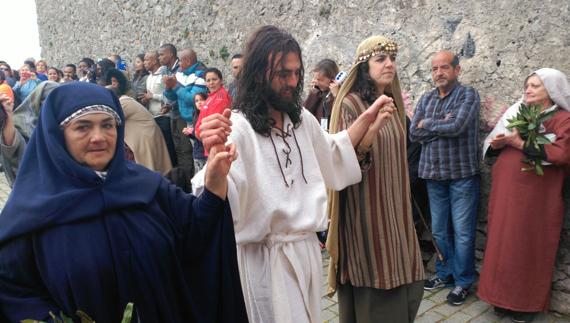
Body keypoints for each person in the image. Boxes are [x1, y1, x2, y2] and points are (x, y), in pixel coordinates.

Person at [194, 25, 394, 323]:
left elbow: (334, 152)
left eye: (296, 73)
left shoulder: (301, 121)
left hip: (305, 253)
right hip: (265, 262)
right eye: (282, 74)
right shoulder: (238, 127)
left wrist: (365, 119)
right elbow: (217, 202)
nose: (292, 82)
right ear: (259, 73)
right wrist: (214, 166)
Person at [0, 82, 247, 323]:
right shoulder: (31, 211)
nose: (99, 137)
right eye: (82, 127)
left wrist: (214, 182)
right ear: (56, 134)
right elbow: (12, 291)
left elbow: (196, 231)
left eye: (108, 125)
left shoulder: (146, 186)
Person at [326, 36, 425, 323]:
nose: (389, 64)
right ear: (363, 66)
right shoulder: (350, 105)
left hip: (396, 206)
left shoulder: (394, 105)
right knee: (374, 269)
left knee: (405, 266)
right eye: (380, 59)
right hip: (365, 209)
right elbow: (344, 161)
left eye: (392, 59)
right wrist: (372, 128)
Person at [477, 68, 570, 323]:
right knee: (502, 241)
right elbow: (497, 144)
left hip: (537, 199)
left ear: (551, 90)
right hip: (507, 192)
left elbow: (562, 154)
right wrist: (497, 145)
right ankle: (499, 298)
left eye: (535, 86)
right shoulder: (518, 113)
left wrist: (519, 144)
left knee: (528, 244)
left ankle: (524, 304)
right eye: (527, 85)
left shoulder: (563, 119)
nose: (528, 89)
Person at [409, 50, 481, 306]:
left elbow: (457, 126)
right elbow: (413, 134)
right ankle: (444, 274)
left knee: (462, 233)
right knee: (439, 230)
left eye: (444, 67)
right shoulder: (427, 98)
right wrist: (438, 123)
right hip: (433, 176)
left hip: (462, 176)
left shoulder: (468, 95)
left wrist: (427, 124)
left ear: (457, 70)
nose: (438, 73)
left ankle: (463, 282)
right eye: (434, 69)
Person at [106, 68, 172, 174]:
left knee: (149, 167)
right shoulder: (122, 101)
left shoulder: (123, 103)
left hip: (145, 137)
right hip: (144, 135)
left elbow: (110, 120)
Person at [0, 81, 60, 186]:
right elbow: (11, 147)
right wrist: (8, 114)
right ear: (37, 99)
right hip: (32, 183)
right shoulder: (20, 121)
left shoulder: (63, 122)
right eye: (45, 100)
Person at [194, 67, 232, 142]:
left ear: (221, 81)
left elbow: (215, 122)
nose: (211, 82)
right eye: (208, 80)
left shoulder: (221, 96)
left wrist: (199, 133)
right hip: (206, 139)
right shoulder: (210, 97)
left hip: (215, 140)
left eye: (214, 79)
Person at [304, 58, 340, 131]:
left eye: (319, 80)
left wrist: (337, 96)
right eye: (315, 78)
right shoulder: (318, 93)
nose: (316, 82)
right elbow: (306, 114)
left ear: (332, 79)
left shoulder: (339, 95)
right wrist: (313, 93)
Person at [184, 92, 208, 173]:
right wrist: (189, 133)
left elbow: (204, 134)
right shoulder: (195, 114)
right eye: (196, 101)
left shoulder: (208, 114)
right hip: (198, 151)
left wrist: (192, 131)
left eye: (202, 99)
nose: (199, 102)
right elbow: (196, 136)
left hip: (206, 152)